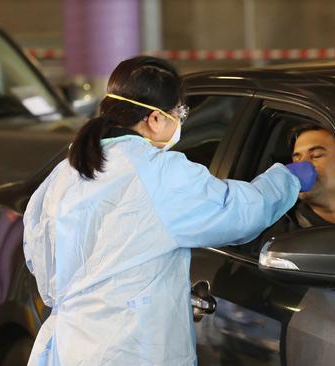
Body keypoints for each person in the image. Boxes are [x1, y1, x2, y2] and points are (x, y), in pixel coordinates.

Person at [22, 56, 316, 366]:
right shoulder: (158, 173)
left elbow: (40, 254)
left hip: (74, 345)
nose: (181, 121)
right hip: (130, 348)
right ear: (154, 119)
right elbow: (237, 211)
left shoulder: (68, 171)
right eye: (180, 112)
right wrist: (287, 180)